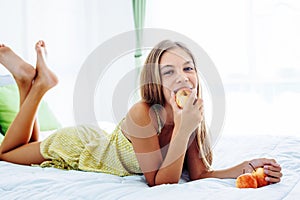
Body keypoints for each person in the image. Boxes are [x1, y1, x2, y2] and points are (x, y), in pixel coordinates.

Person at [0, 40, 282, 186]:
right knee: (7, 154)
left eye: (188, 68)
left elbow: (199, 175)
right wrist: (184, 129)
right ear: (154, 82)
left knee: (23, 148)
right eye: (168, 72)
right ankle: (38, 87)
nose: (182, 77)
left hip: (99, 139)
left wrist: (247, 167)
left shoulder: (191, 112)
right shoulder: (143, 114)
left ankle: (27, 82)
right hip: (81, 147)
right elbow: (159, 183)